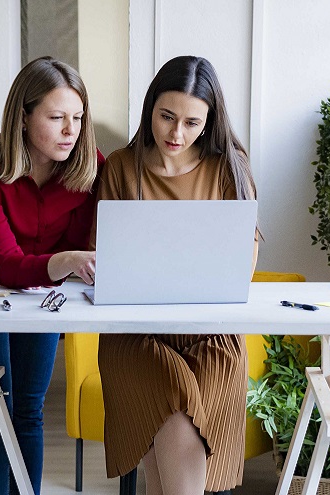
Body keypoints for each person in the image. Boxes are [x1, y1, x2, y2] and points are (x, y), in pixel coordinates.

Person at [0, 56, 102, 494]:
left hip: (44, 279)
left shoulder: (92, 166)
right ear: (23, 116)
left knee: (28, 406)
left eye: (79, 118)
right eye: (56, 117)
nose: (71, 130)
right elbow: (6, 266)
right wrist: (67, 261)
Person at [95, 55, 259, 495]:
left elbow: (245, 260)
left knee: (161, 471)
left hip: (213, 337)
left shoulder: (230, 169)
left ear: (208, 122)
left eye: (191, 123)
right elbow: (103, 261)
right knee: (173, 400)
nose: (176, 133)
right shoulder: (120, 168)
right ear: (150, 108)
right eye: (167, 117)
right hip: (134, 337)